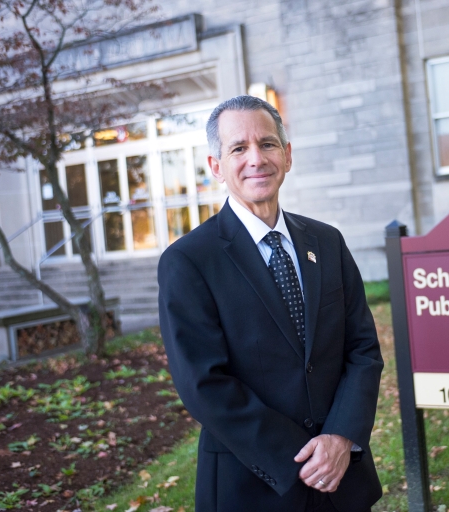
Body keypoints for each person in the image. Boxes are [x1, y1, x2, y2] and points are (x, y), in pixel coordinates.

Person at [158, 95, 384, 512]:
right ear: (216, 167)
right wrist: (299, 458)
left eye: (267, 144)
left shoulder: (327, 241)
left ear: (287, 155)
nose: (256, 159)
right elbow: (203, 384)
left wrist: (339, 438)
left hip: (343, 481)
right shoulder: (189, 261)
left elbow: (363, 349)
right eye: (238, 148)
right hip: (254, 485)